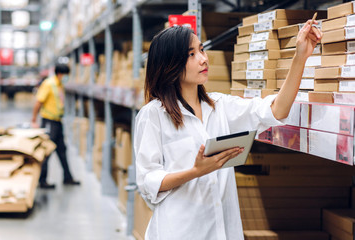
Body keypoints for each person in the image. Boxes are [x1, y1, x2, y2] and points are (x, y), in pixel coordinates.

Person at [135, 20, 321, 239]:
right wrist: (196, 172)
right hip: (179, 231)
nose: (204, 59)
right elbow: (148, 181)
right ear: (170, 64)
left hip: (223, 231)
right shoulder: (154, 115)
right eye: (191, 54)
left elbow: (276, 110)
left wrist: (300, 57)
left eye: (202, 50)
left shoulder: (220, 106)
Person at [31, 64, 80, 189]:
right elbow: (38, 102)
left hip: (57, 122)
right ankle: (42, 181)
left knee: (62, 150)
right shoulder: (48, 84)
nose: (67, 78)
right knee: (47, 151)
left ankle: (67, 177)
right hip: (49, 122)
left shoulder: (59, 84)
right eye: (66, 75)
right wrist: (34, 120)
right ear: (60, 74)